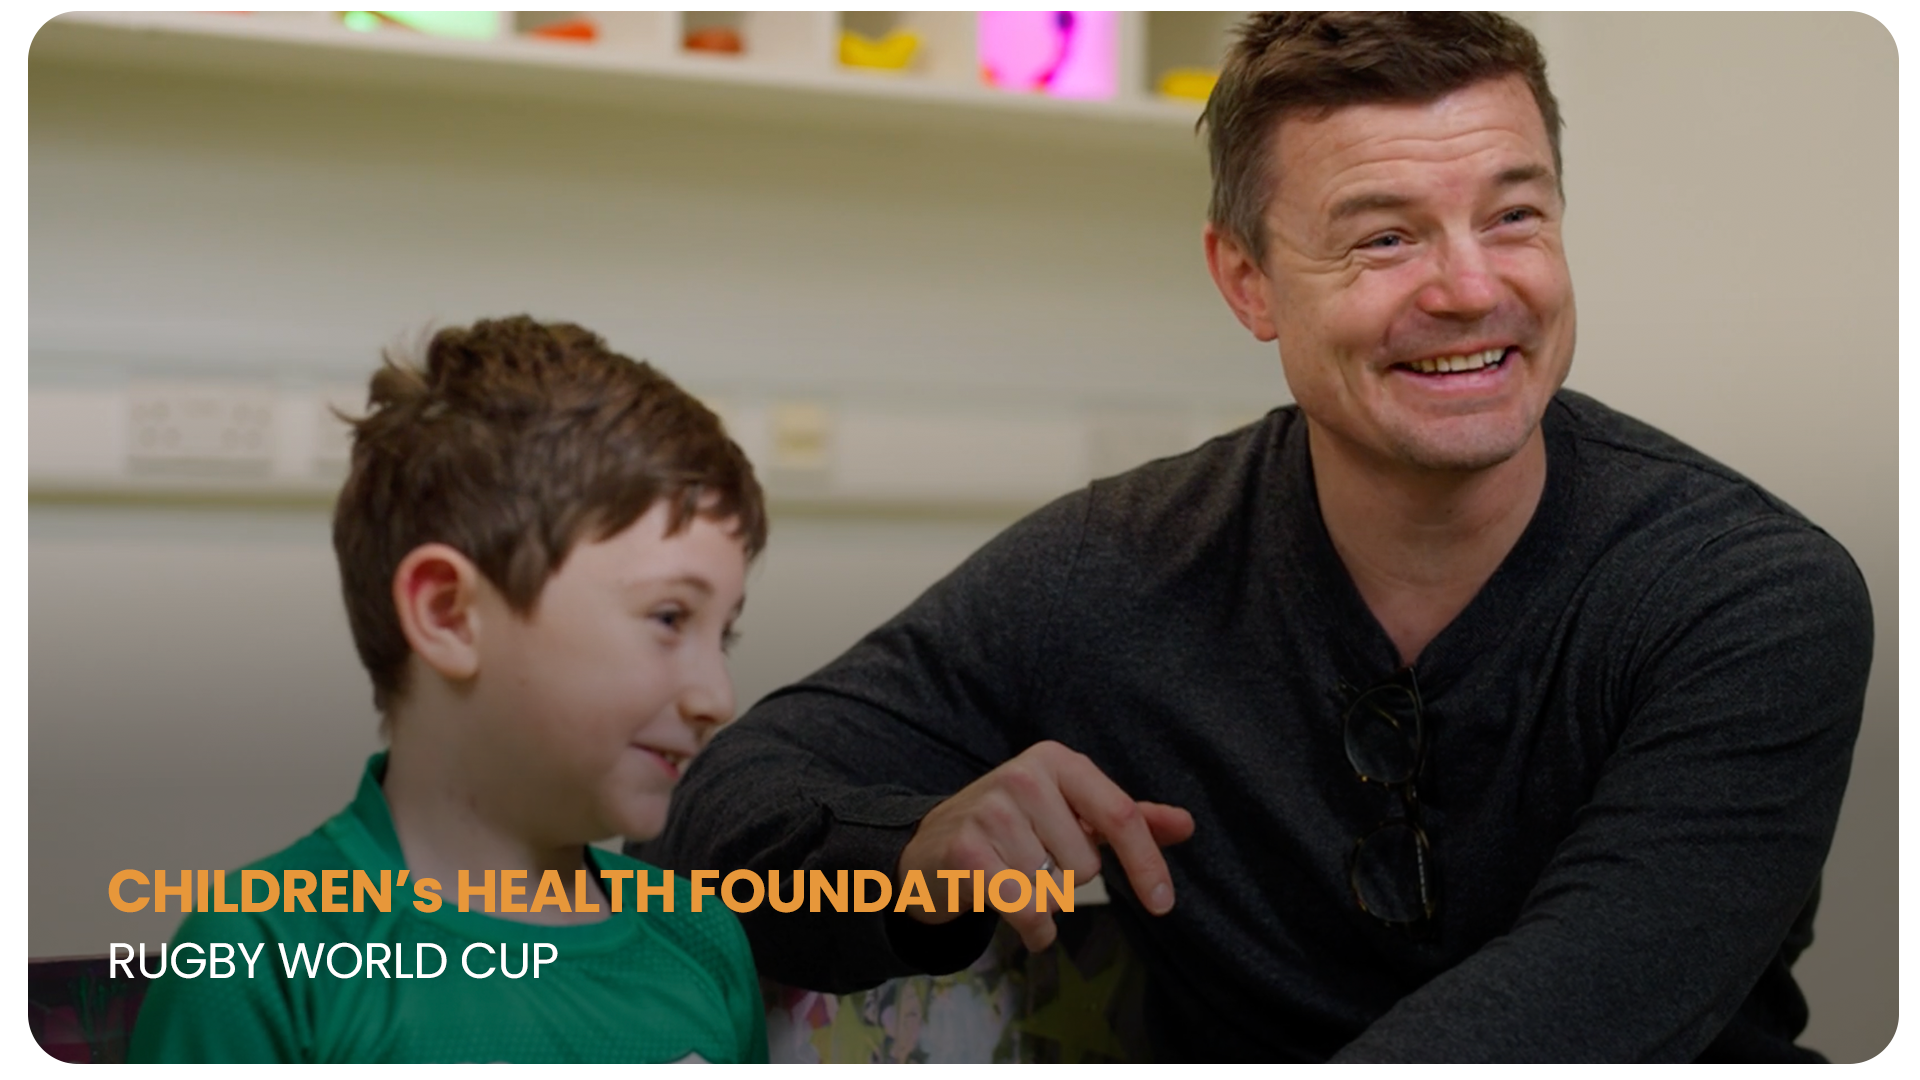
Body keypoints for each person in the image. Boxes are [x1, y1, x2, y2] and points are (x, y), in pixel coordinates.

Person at [650, 13, 1873, 1062]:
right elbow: (724, 825)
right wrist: (908, 853)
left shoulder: (1751, 597)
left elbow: (1576, 1015)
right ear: (1246, 282)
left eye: (1513, 217)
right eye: (1385, 236)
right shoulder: (1111, 570)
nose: (1469, 287)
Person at [131, 317, 770, 1063]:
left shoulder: (700, 937)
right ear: (449, 615)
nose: (716, 697)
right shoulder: (261, 960)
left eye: (721, 635)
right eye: (668, 618)